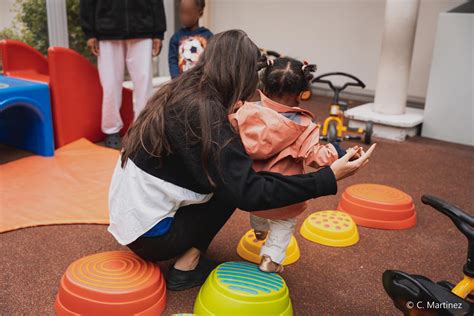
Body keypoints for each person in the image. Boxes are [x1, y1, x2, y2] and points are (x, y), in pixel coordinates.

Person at [108, 30, 376, 291]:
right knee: (232, 188)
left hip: (131, 219)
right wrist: (328, 177)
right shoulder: (206, 114)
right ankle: (185, 268)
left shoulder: (184, 90)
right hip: (152, 238)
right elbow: (249, 192)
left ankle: (185, 255)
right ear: (243, 75)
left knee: (231, 175)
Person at [230, 57, 362, 273]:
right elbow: (315, 156)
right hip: (284, 194)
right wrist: (336, 151)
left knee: (260, 208)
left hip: (250, 191)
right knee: (283, 222)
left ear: (262, 85)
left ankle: (260, 231)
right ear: (302, 93)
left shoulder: (244, 112)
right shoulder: (304, 127)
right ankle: (270, 259)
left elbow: (228, 126)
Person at [80, 0, 167, 149]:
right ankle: (111, 129)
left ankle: (143, 128)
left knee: (144, 83)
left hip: (142, 26)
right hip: (107, 29)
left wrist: (158, 32)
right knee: (110, 84)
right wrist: (89, 33)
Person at [168, 0, 213, 79]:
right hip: (181, 84)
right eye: (182, 12)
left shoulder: (208, 37)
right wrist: (176, 80)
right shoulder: (175, 38)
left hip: (202, 83)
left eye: (188, 13)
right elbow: (173, 62)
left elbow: (211, 61)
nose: (184, 16)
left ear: (200, 13)